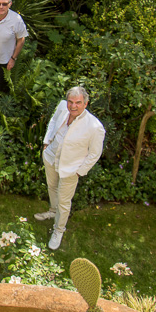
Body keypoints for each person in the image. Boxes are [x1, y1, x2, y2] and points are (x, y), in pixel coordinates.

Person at [37, 86, 106, 250]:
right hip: (51, 157)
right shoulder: (62, 106)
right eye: (70, 101)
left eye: (78, 102)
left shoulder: (95, 127)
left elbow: (94, 154)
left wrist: (79, 171)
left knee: (64, 201)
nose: (73, 106)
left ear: (86, 103)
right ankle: (52, 212)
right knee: (52, 187)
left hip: (70, 169)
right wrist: (47, 142)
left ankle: (58, 230)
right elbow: (53, 121)